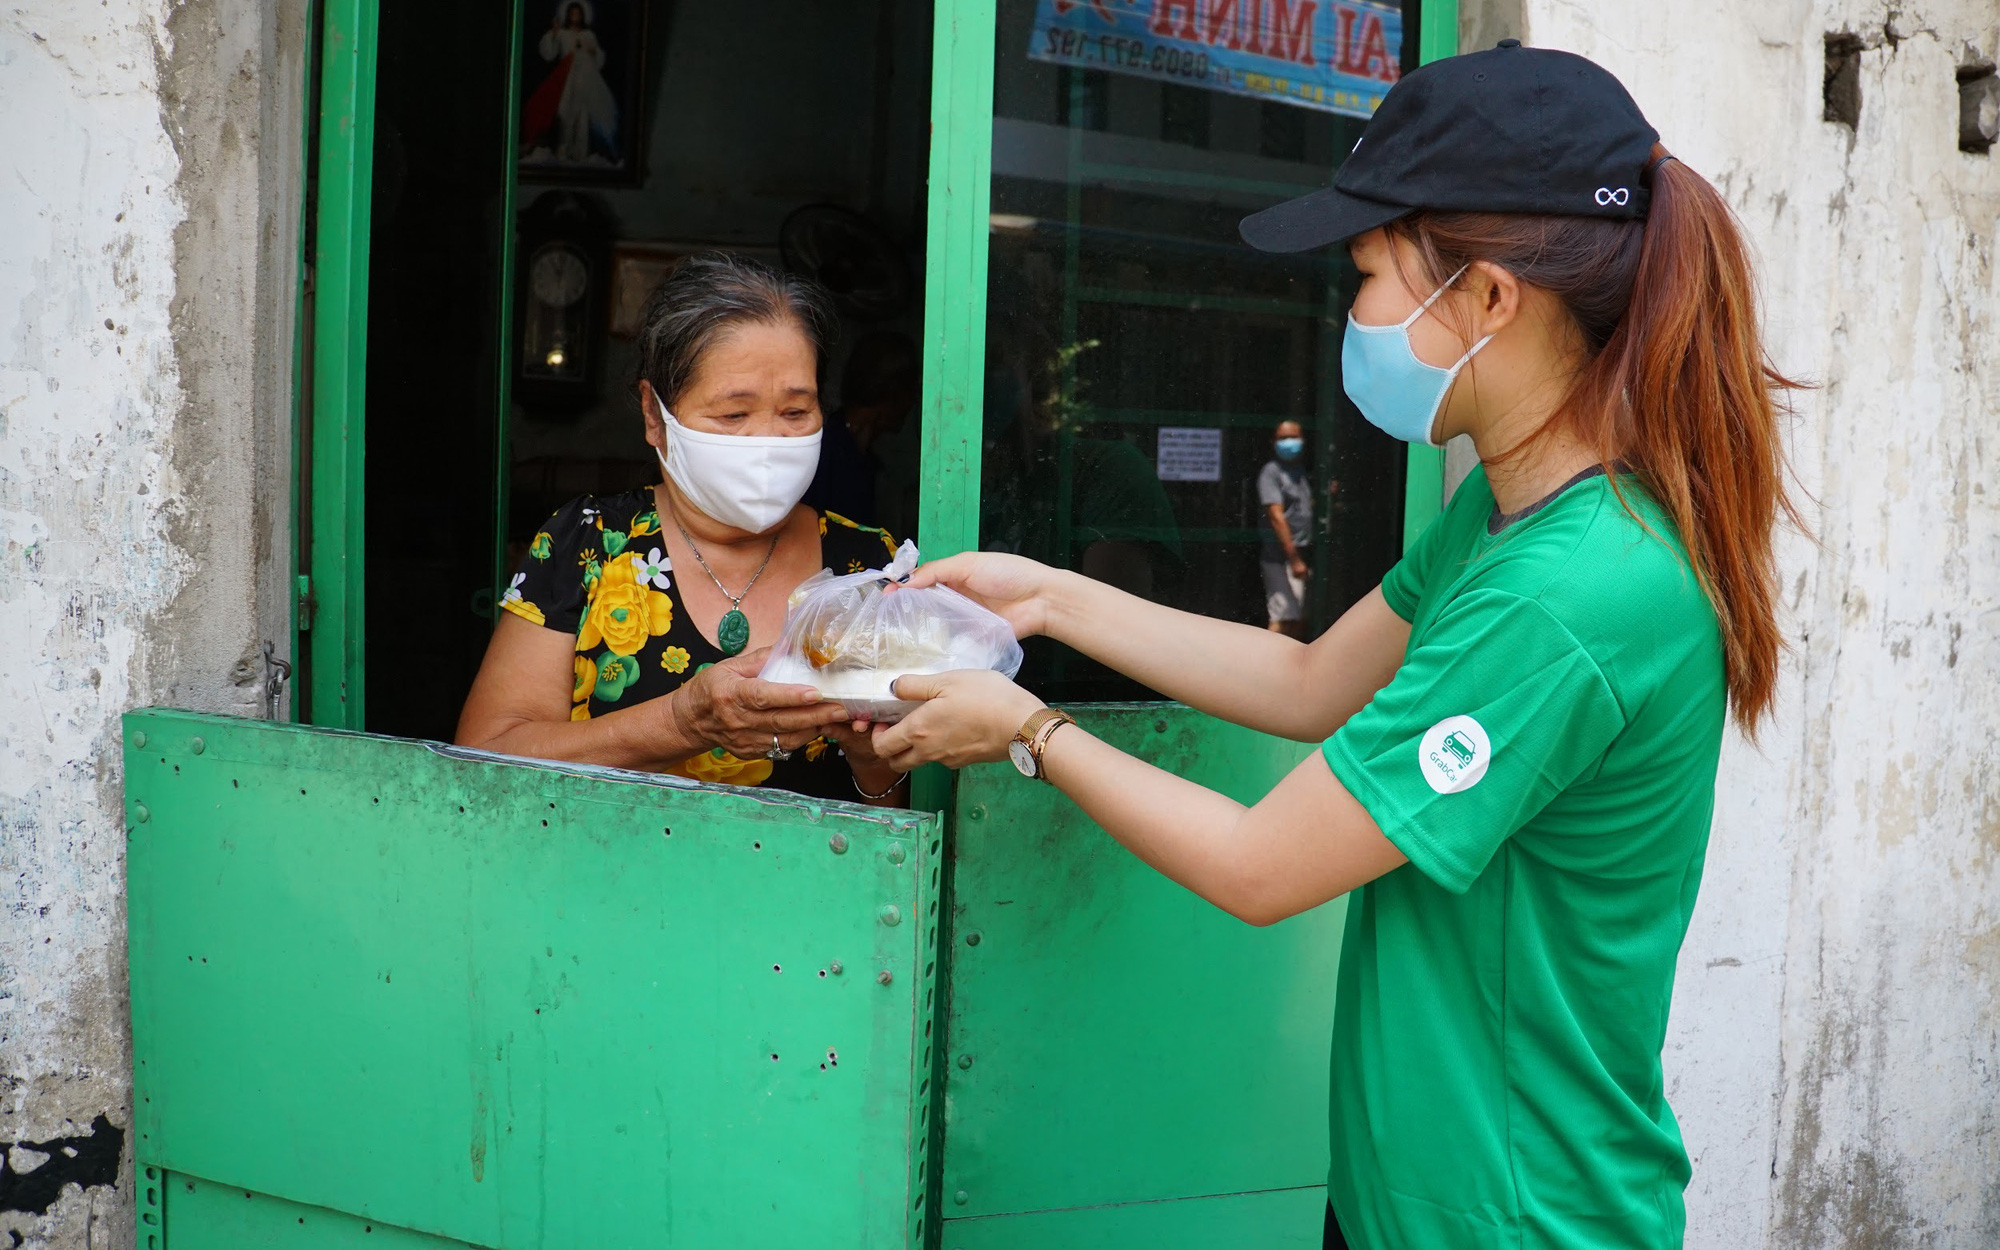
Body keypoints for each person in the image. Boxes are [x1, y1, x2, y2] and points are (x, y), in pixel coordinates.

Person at [869, 42, 1798, 1250]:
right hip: (1407, 1189)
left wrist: (1028, 732)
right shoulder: (1509, 508)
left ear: (1485, 298)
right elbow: (1311, 682)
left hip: (1511, 1215)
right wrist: (1046, 598)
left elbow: (1262, 867)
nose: (1349, 312)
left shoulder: (1568, 591)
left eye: (1366, 273)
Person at [457, 253, 906, 806]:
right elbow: (484, 761)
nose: (768, 442)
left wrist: (872, 756)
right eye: (733, 415)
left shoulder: (871, 567)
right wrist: (682, 724)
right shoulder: (587, 542)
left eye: (795, 413)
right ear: (654, 414)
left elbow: (902, 819)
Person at [527, 2, 618, 166]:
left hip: (585, 79)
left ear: (582, 16)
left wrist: (593, 52)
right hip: (567, 79)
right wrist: (554, 34)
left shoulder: (588, 35)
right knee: (565, 112)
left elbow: (598, 60)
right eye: (572, 13)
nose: (575, 16)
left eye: (578, 14)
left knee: (582, 115)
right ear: (568, 15)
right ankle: (563, 151)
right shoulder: (562, 33)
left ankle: (580, 154)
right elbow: (549, 54)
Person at [1257, 419, 1317, 636]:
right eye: (1283, 438)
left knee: (1297, 618)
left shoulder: (1301, 472)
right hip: (1280, 556)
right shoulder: (1271, 472)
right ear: (1273, 441)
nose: (1289, 443)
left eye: (1293, 437)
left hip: (1301, 554)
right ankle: (1264, 667)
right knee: (1282, 619)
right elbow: (1276, 517)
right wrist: (1293, 558)